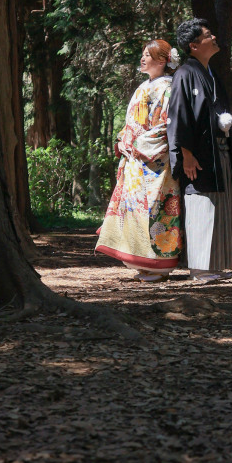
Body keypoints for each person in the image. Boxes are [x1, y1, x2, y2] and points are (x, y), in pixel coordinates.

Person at [95, 39, 182, 282]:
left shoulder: (169, 87)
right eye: (142, 54)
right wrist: (124, 141)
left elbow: (166, 125)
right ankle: (141, 263)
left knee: (157, 209)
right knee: (135, 210)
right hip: (136, 158)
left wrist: (138, 144)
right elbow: (131, 123)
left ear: (163, 60)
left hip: (156, 160)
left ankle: (159, 265)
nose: (142, 58)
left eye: (148, 55)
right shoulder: (144, 86)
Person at [167, 18, 232, 282]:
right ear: (194, 45)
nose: (214, 38)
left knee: (220, 205)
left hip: (218, 149)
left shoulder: (209, 72)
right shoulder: (185, 73)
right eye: (208, 34)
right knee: (202, 203)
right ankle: (199, 268)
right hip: (197, 154)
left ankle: (218, 263)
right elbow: (179, 114)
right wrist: (185, 153)